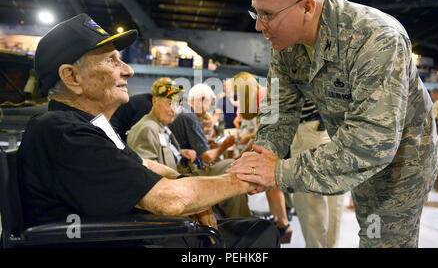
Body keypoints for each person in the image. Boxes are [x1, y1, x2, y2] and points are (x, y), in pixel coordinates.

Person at [227, 0, 438, 248]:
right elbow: (280, 109)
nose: (258, 26)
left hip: (402, 163)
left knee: (383, 240)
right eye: (256, 13)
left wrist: (278, 172)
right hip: (354, 149)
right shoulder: (286, 45)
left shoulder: (376, 38)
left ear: (307, 7)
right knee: (369, 232)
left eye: (267, 15)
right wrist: (262, 157)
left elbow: (372, 141)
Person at [16, 13, 279, 248]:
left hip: (133, 233)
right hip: (128, 239)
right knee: (258, 234)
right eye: (111, 60)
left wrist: (185, 188)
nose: (128, 70)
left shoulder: (86, 126)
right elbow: (168, 202)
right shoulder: (63, 132)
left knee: (251, 230)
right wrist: (252, 176)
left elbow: (145, 166)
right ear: (71, 77)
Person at [127, 78, 252, 218]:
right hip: (177, 184)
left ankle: (241, 221)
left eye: (178, 105)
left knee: (231, 168)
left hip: (183, 174)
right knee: (231, 172)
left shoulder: (159, 126)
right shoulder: (148, 128)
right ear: (155, 101)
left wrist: (179, 153)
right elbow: (145, 173)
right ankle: (241, 225)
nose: (174, 111)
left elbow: (158, 152)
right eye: (170, 104)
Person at [168, 83, 252, 218]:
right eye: (210, 103)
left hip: (181, 167)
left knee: (231, 165)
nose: (210, 108)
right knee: (234, 167)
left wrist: (208, 144)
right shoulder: (190, 118)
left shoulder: (184, 114)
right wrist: (224, 145)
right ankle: (241, 219)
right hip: (190, 171)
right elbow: (208, 157)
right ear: (201, 99)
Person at [232, 72, 292, 243]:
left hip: (280, 142)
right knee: (272, 186)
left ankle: (282, 223)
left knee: (272, 184)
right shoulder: (261, 96)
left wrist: (244, 153)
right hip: (279, 140)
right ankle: (280, 221)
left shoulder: (263, 98)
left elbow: (266, 133)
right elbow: (260, 132)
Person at [290, 98, 345, 248]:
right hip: (337, 127)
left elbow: (275, 101)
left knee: (309, 205)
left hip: (309, 129)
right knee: (334, 200)